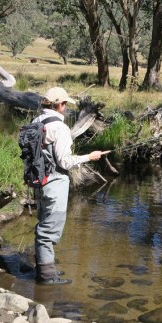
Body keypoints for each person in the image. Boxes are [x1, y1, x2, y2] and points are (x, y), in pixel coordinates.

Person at [33, 86, 109, 285]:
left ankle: (43, 271)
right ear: (59, 105)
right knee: (49, 231)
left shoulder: (36, 122)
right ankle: (47, 278)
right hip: (55, 183)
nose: (66, 107)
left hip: (38, 183)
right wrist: (90, 156)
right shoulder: (60, 128)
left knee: (43, 225)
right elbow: (65, 162)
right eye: (65, 104)